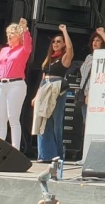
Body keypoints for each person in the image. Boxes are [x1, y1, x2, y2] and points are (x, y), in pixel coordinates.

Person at [34, 24, 74, 162]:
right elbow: (42, 78)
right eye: (54, 41)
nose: (56, 43)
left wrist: (64, 31)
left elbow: (70, 49)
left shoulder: (64, 58)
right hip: (45, 87)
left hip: (57, 89)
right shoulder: (49, 59)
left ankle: (57, 154)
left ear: (63, 44)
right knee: (42, 120)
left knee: (56, 121)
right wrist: (36, 95)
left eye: (59, 41)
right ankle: (45, 154)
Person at [0, 18, 31, 150]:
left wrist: (24, 29)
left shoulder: (23, 49)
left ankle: (15, 150)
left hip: (16, 84)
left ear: (18, 35)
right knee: (1, 120)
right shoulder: (4, 50)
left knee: (13, 118)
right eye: (8, 33)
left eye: (12, 33)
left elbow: (28, 43)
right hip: (2, 84)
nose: (9, 35)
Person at [79, 29, 105, 123]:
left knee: (92, 123)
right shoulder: (89, 57)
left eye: (98, 40)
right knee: (86, 122)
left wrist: (102, 33)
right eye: (93, 40)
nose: (94, 42)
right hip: (83, 94)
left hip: (94, 94)